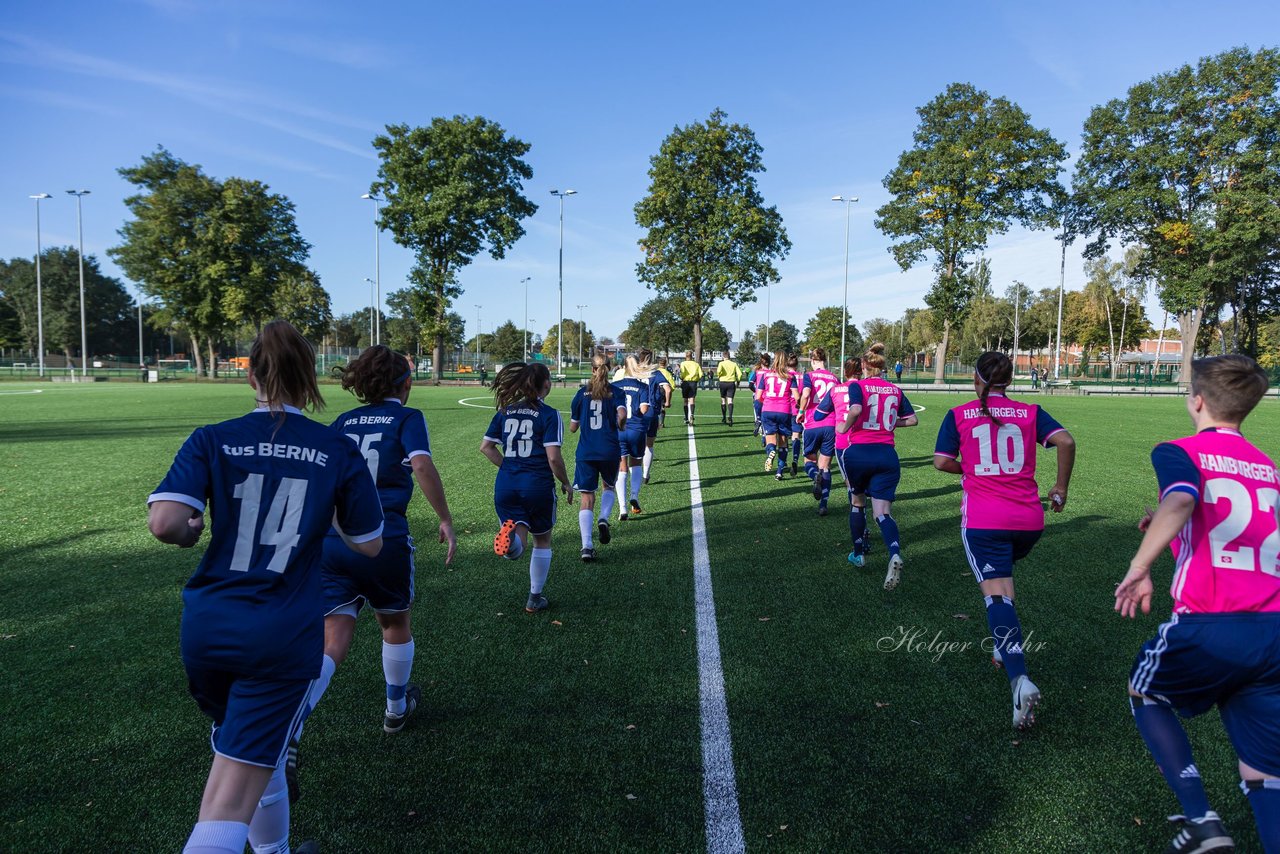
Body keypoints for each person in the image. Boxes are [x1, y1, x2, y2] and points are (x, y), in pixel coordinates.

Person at [147, 320, 385, 854]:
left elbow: (166, 523)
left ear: (250, 375)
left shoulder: (211, 438)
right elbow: (369, 542)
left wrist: (193, 530)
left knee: (256, 750)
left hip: (206, 628)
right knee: (227, 799)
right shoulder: (334, 448)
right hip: (278, 635)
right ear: (311, 379)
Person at [1114, 354, 1280, 854]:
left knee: (1145, 692)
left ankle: (1202, 820)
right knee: (1265, 771)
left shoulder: (1178, 450)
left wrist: (1140, 566)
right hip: (1272, 629)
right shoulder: (1267, 466)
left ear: (1198, 401)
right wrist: (1173, 526)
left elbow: (1183, 498)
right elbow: (1244, 532)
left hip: (1213, 620)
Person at [287, 346, 457, 802]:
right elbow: (420, 465)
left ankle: (292, 725)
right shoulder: (407, 417)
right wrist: (444, 518)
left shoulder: (342, 423)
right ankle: (396, 709)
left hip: (334, 541)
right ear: (406, 382)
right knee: (394, 623)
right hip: (383, 540)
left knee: (332, 635)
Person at [933, 350, 1075, 730]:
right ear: (1009, 381)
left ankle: (1018, 679)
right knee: (1004, 586)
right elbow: (1066, 441)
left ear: (975, 378)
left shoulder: (959, 413)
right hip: (1029, 521)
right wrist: (1060, 488)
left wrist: (972, 468)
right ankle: (1000, 644)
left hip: (985, 519)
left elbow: (942, 461)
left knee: (995, 593)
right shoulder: (1030, 411)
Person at [481, 362, 572, 613]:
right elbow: (553, 457)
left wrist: (509, 467)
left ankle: (510, 545)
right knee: (542, 540)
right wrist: (565, 482)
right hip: (537, 485)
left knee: (518, 530)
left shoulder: (505, 411)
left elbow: (486, 447)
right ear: (546, 384)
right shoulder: (550, 414)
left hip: (507, 484)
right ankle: (534, 597)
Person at [835, 343, 918, 587]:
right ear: (882, 368)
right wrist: (889, 424)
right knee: (882, 513)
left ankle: (858, 554)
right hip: (886, 455)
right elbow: (912, 420)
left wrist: (845, 426)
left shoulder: (858, 386)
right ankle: (894, 552)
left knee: (857, 502)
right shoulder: (895, 390)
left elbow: (857, 408)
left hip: (859, 453)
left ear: (863, 366)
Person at [569, 354, 626, 561]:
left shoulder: (581, 394)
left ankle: (586, 546)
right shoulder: (617, 392)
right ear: (608, 369)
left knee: (586, 498)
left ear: (592, 369)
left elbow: (573, 428)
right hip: (609, 450)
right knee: (608, 487)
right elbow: (621, 415)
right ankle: (603, 518)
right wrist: (620, 421)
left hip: (586, 452)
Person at [797, 348, 839, 515]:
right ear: (825, 361)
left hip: (813, 423)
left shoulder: (809, 375)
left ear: (813, 361)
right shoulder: (835, 378)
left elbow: (806, 395)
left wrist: (800, 412)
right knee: (826, 466)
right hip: (831, 425)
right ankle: (823, 504)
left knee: (809, 461)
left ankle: (815, 475)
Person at [612, 355, 653, 519]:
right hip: (636, 430)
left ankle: (622, 509)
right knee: (635, 463)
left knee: (621, 468)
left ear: (623, 367)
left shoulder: (614, 386)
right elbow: (643, 410)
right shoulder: (642, 387)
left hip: (619, 430)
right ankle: (634, 496)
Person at [756, 350, 798, 481]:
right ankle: (779, 472)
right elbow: (797, 397)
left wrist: (767, 403)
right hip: (784, 410)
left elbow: (758, 397)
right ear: (786, 361)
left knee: (770, 440)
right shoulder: (790, 376)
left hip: (768, 409)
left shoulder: (767, 375)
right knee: (783, 442)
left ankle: (771, 452)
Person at [636, 348, 669, 484]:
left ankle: (634, 476)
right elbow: (667, 387)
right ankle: (646, 474)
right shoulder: (655, 373)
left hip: (635, 412)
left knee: (635, 445)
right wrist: (667, 401)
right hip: (650, 411)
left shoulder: (634, 372)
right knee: (649, 445)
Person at [786, 353, 805, 477]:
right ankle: (795, 459)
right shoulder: (803, 377)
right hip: (798, 410)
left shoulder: (785, 376)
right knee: (796, 436)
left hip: (786, 409)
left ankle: (781, 465)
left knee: (781, 438)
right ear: (797, 365)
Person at [716, 350, 744, 425]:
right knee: (730, 400)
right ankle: (730, 417)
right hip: (731, 383)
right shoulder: (734, 364)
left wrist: (719, 376)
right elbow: (740, 374)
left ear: (723, 356)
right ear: (729, 356)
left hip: (723, 382)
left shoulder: (721, 363)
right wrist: (738, 381)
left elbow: (718, 371)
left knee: (723, 400)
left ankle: (724, 417)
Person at [747, 354, 771, 441]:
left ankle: (758, 421)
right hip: (768, 398)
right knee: (767, 419)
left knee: (759, 416)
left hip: (758, 397)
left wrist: (756, 392)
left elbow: (750, 384)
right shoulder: (772, 372)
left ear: (761, 363)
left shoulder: (757, 372)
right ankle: (764, 437)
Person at [678, 350, 703, 425]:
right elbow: (701, 374)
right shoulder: (696, 364)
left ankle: (686, 417)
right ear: (692, 356)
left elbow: (682, 374)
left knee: (685, 401)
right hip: (693, 383)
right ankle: (691, 414)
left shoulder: (683, 363)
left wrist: (681, 378)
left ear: (686, 356)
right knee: (692, 400)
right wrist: (696, 380)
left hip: (685, 382)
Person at [655, 356, 675, 428]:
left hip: (655, 390)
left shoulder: (655, 372)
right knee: (662, 406)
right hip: (663, 390)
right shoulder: (667, 373)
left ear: (658, 364)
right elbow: (672, 385)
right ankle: (661, 423)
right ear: (665, 364)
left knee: (655, 406)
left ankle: (656, 422)